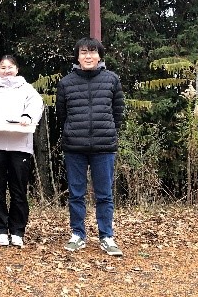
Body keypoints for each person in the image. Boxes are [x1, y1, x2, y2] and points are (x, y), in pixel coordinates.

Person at [56, 37, 125, 256]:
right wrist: (70, 132)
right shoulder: (66, 82)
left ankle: (107, 236)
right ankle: (78, 235)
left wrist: (111, 133)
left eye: (92, 52)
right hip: (74, 147)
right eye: (84, 52)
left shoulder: (112, 80)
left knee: (104, 195)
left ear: (99, 56)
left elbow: (118, 112)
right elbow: (61, 114)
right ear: (77, 56)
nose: (88, 56)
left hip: (104, 147)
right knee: (76, 194)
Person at [0, 55, 44, 248]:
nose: (7, 71)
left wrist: (27, 116)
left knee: (18, 189)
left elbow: (36, 105)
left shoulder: (27, 89)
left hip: (20, 144)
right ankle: (0, 229)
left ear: (17, 69)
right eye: (3, 67)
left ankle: (17, 230)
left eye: (10, 67)